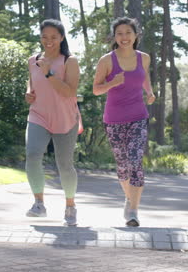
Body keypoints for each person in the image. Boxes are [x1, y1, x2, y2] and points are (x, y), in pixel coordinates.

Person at [93, 17, 155, 227]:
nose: (124, 37)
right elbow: (96, 89)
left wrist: (150, 91)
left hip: (138, 116)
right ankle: (129, 199)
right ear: (115, 37)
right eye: (119, 33)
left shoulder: (144, 58)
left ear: (136, 35)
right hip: (114, 119)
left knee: (135, 160)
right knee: (122, 166)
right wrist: (112, 82)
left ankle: (134, 211)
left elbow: (144, 76)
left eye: (128, 32)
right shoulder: (107, 60)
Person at [25, 18, 81, 226]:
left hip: (65, 119)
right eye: (44, 37)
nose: (48, 41)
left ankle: (70, 206)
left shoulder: (70, 61)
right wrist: (28, 93)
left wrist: (49, 72)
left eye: (53, 37)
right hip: (38, 115)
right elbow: (32, 84)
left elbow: (69, 91)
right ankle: (39, 204)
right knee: (32, 155)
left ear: (62, 38)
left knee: (65, 165)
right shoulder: (33, 60)